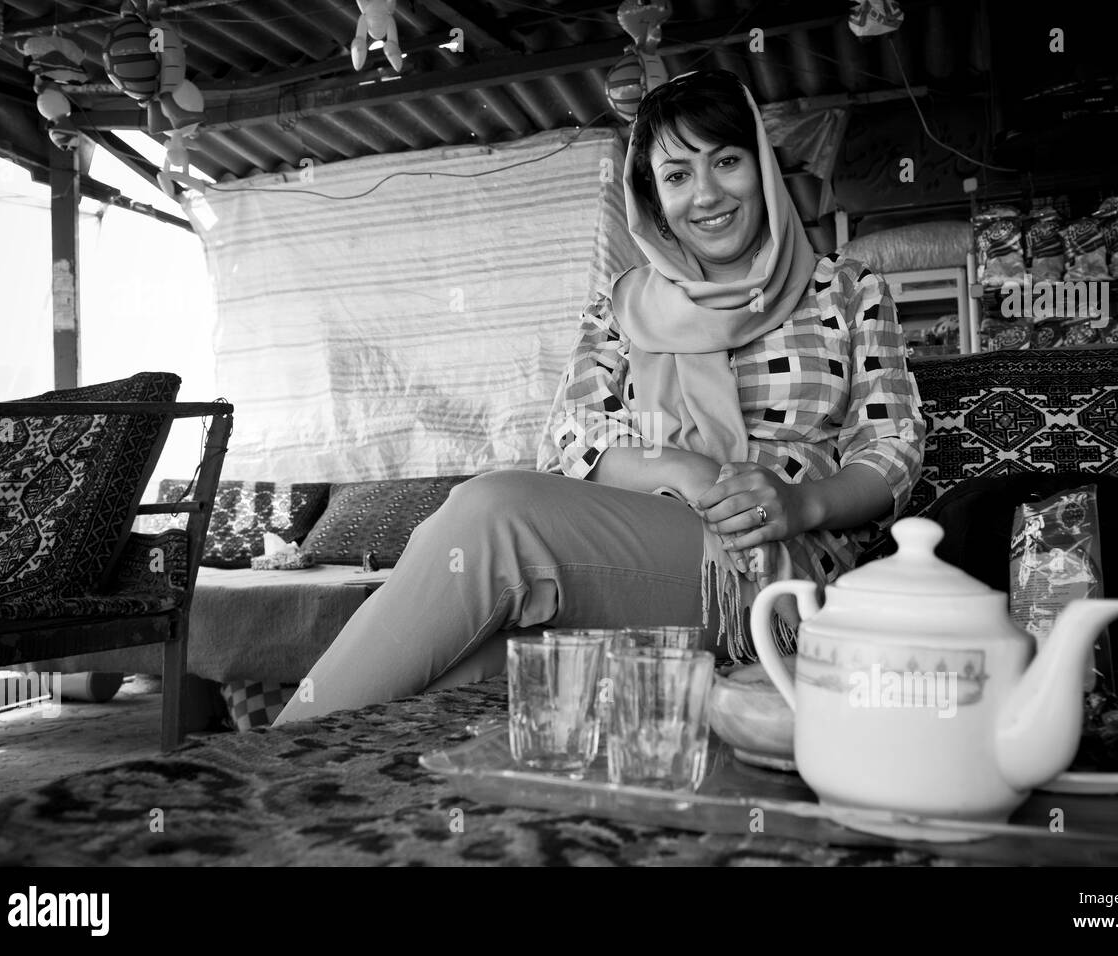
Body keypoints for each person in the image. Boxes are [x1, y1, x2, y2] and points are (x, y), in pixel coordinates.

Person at [273, 70, 924, 726]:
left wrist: (799, 502)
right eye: (676, 176)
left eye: (726, 161)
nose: (705, 195)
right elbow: (575, 435)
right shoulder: (622, 304)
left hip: (773, 575)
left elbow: (892, 450)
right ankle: (329, 792)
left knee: (494, 513)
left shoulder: (843, 290)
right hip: (627, 545)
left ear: (762, 166)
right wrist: (684, 472)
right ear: (652, 196)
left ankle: (282, 754)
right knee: (470, 670)